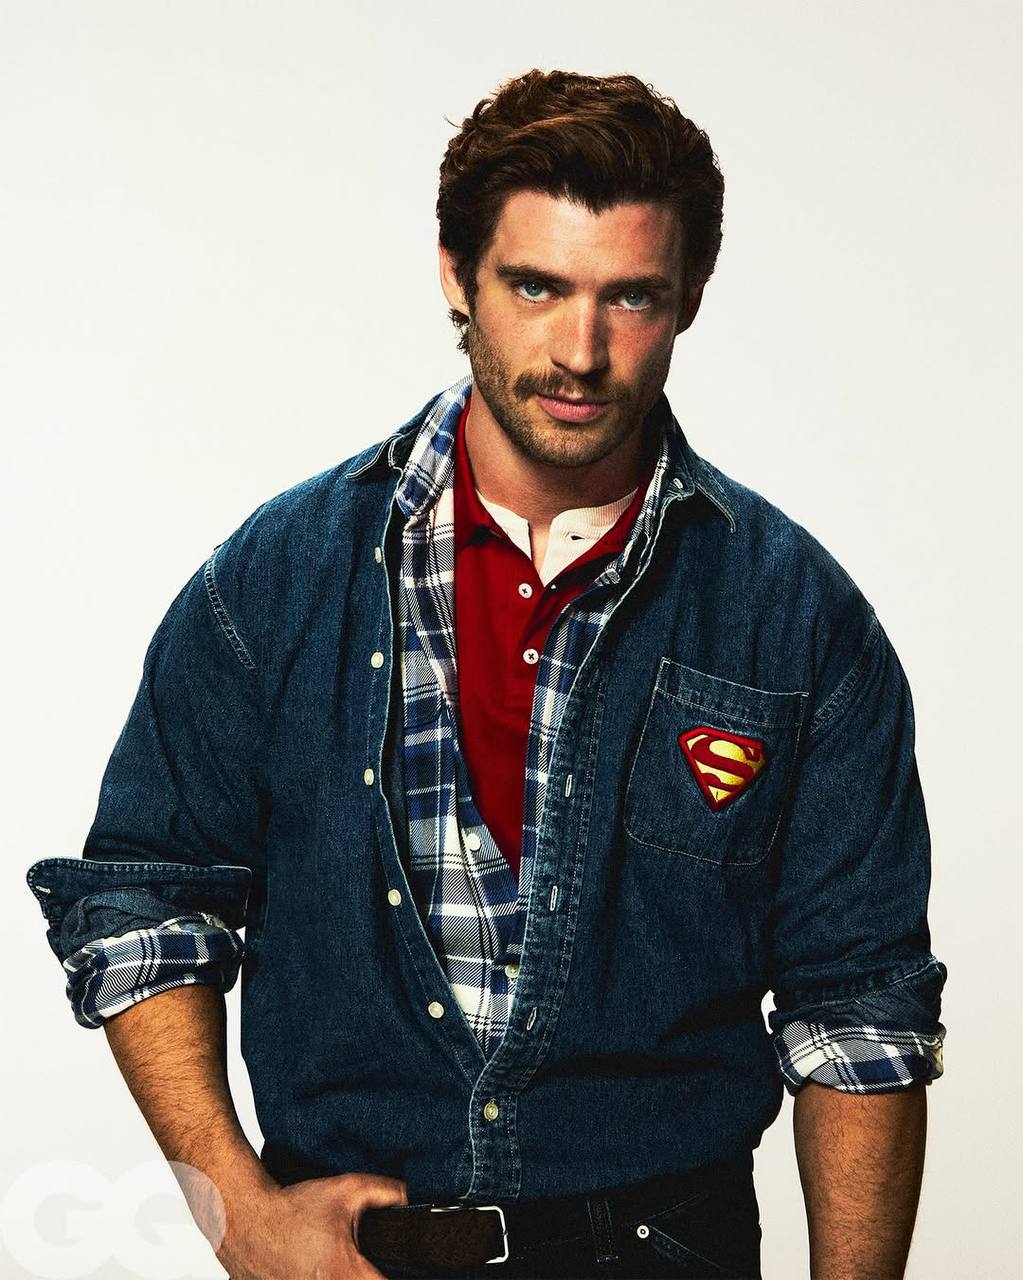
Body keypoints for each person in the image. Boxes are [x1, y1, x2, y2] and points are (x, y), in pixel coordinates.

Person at [26, 68, 947, 1280]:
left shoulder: (795, 617)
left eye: (631, 296)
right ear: (457, 276)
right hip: (352, 1255)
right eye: (536, 285)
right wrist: (232, 1208)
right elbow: (146, 899)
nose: (580, 350)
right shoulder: (281, 576)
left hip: (662, 1248)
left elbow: (861, 1014)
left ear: (690, 297)